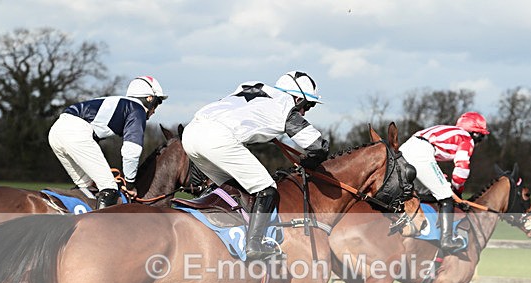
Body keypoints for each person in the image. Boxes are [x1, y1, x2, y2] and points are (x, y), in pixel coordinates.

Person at [182, 71, 329, 260]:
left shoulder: (252, 86)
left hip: (191, 134)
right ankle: (254, 245)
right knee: (267, 188)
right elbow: (319, 147)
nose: (304, 112)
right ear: (298, 98)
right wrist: (307, 164)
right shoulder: (286, 107)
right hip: (218, 138)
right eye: (307, 106)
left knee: (231, 189)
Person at [48, 75, 167, 209]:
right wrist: (130, 184)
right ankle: (102, 228)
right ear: (149, 99)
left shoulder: (120, 102)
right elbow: (132, 151)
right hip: (75, 132)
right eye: (157, 102)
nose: (155, 110)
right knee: (109, 188)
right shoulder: (137, 109)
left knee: (86, 186)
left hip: (56, 131)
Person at [398, 112, 490, 253]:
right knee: (446, 196)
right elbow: (462, 169)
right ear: (476, 134)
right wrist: (457, 193)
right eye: (481, 137)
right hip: (421, 153)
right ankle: (447, 240)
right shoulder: (467, 139)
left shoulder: (450, 131)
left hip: (404, 149)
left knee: (422, 192)